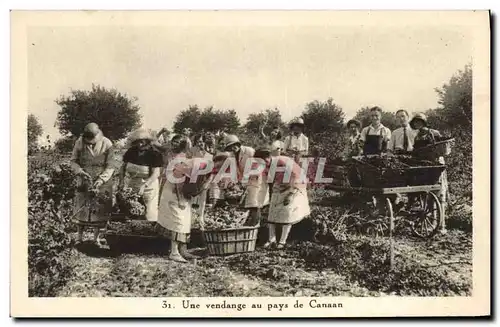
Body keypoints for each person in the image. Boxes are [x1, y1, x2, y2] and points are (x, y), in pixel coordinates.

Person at [157, 155, 215, 263]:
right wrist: (180, 201)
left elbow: (202, 196)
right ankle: (174, 252)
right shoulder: (187, 167)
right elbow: (178, 184)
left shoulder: (207, 176)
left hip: (184, 195)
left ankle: (182, 250)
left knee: (185, 221)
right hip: (172, 192)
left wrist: (200, 215)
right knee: (177, 221)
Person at [70, 123, 115, 244]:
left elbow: (111, 165)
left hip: (102, 178)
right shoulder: (80, 142)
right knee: (81, 207)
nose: (90, 143)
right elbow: (73, 161)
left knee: (99, 208)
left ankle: (96, 239)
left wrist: (101, 179)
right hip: (84, 177)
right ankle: (79, 238)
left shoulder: (107, 143)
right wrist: (80, 171)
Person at [257, 150, 310, 249]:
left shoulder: (283, 161)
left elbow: (298, 176)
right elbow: (267, 181)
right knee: (272, 213)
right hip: (279, 187)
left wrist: (290, 194)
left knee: (287, 213)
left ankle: (282, 242)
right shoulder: (265, 166)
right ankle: (271, 239)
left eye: (265, 161)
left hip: (294, 187)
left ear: (269, 157)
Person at [223, 134, 269, 225]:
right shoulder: (231, 156)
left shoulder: (249, 151)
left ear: (238, 144)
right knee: (249, 205)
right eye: (230, 147)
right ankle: (254, 224)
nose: (233, 148)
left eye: (234, 145)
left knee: (255, 204)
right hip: (246, 182)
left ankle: (256, 225)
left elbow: (260, 164)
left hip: (257, 180)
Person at [118, 129, 163, 222]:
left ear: (147, 141)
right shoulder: (131, 151)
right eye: (138, 142)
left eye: (142, 142)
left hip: (149, 185)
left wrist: (145, 185)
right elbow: (122, 168)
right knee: (131, 208)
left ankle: (148, 230)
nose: (140, 145)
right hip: (133, 183)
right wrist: (121, 182)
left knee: (149, 212)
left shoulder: (154, 153)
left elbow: (156, 173)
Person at [410, 113, 449, 207]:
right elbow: (416, 152)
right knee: (424, 189)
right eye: (415, 122)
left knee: (438, 190)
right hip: (423, 165)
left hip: (435, 164)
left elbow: (442, 148)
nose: (417, 124)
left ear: (424, 122)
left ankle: (440, 214)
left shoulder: (433, 133)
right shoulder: (417, 136)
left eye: (419, 122)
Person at [187, 134, 213, 226]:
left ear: (205, 142)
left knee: (202, 200)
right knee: (191, 201)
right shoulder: (192, 153)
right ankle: (190, 220)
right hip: (192, 179)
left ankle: (201, 219)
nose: (200, 144)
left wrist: (207, 182)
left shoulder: (209, 155)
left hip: (203, 180)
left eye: (201, 142)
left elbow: (211, 172)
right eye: (198, 142)